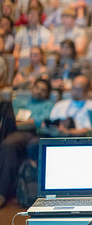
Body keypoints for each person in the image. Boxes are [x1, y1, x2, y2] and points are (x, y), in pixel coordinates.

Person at [0, 78, 54, 208]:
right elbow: (12, 120)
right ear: (32, 88)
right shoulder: (19, 102)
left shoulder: (48, 105)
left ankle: (1, 193)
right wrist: (24, 123)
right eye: (37, 88)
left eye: (43, 90)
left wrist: (21, 124)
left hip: (36, 134)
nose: (39, 92)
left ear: (47, 94)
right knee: (8, 144)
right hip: (17, 133)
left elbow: (39, 123)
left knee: (9, 143)